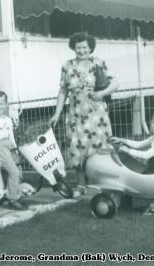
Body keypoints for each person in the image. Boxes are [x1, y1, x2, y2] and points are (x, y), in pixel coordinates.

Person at [50, 32, 119, 194]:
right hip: (75, 115)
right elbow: (63, 91)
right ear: (74, 47)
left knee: (100, 147)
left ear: (90, 48)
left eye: (84, 47)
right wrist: (57, 113)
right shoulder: (67, 66)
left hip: (96, 114)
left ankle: (105, 185)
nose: (81, 50)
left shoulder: (98, 63)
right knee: (77, 148)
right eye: (78, 47)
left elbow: (116, 83)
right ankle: (81, 186)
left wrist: (102, 94)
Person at [109, 107, 154, 215]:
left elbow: (146, 155)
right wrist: (122, 140)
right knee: (133, 177)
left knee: (136, 182)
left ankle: (153, 204)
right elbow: (139, 144)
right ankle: (128, 200)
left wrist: (127, 150)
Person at [0, 91, 23, 209]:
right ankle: (13, 199)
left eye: (2, 104)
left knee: (19, 171)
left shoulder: (7, 119)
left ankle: (13, 194)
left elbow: (11, 135)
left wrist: (15, 149)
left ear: (6, 104)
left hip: (10, 146)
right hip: (0, 147)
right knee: (14, 173)